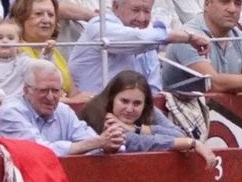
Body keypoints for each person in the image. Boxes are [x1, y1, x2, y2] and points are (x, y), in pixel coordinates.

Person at [66, 0, 210, 95]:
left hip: (135, 111)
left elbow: (154, 89)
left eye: (147, 11)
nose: (141, 18)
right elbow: (138, 39)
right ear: (115, 6)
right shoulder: (99, 26)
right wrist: (188, 37)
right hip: (92, 110)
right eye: (135, 10)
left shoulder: (149, 37)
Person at [80, 70, 219, 167]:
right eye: (124, 101)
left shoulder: (149, 110)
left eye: (136, 103)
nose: (129, 109)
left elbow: (179, 134)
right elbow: (140, 143)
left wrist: (137, 129)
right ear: (112, 99)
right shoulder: (100, 114)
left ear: (144, 103)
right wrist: (192, 143)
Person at [0, 58, 126, 155]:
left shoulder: (63, 111)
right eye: (43, 90)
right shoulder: (10, 112)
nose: (50, 97)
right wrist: (97, 143)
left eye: (55, 91)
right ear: (26, 90)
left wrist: (109, 145)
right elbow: (39, 151)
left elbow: (90, 140)